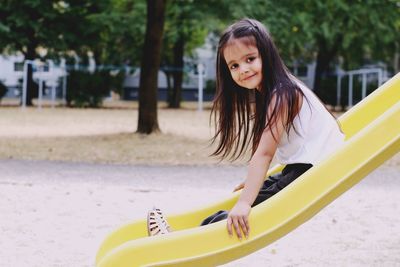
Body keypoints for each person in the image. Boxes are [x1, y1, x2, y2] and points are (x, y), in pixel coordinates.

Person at [147, 18, 345, 239]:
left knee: (246, 212)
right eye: (234, 66)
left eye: (250, 59)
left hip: (315, 170)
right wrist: (253, 184)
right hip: (302, 167)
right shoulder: (274, 91)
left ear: (266, 54)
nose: (243, 69)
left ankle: (177, 241)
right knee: (246, 203)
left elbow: (265, 153)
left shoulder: (283, 94)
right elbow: (266, 149)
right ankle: (183, 235)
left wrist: (246, 201)